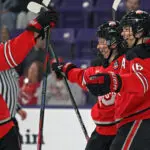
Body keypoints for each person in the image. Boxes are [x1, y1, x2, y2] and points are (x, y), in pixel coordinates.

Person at [83, 10, 150, 150]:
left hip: (140, 118)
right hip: (131, 120)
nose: (123, 34)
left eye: (126, 29)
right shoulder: (134, 51)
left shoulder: (142, 52)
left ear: (139, 31)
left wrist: (115, 81)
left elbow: (143, 82)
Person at [52, 21, 125, 149]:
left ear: (114, 43)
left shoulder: (126, 66)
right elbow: (82, 76)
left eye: (103, 42)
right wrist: (65, 69)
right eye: (99, 41)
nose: (99, 46)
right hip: (101, 133)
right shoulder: (99, 68)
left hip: (121, 133)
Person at [0, 8, 58, 150]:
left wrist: (36, 29)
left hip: (6, 124)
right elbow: (12, 53)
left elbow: (11, 54)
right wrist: (36, 27)